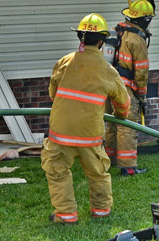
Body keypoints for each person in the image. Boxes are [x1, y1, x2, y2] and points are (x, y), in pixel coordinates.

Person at [41, 13, 130, 224]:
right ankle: (100, 211)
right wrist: (119, 116)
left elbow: (53, 94)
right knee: (97, 173)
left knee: (58, 172)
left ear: (80, 37)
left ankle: (65, 215)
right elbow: (123, 105)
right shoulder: (108, 71)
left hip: (61, 133)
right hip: (89, 136)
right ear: (101, 41)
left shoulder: (65, 62)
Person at [105, 0, 155, 176]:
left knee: (111, 124)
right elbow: (141, 72)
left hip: (109, 85)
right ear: (145, 19)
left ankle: (109, 160)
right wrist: (142, 96)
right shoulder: (137, 40)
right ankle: (128, 167)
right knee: (127, 125)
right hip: (125, 89)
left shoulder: (115, 32)